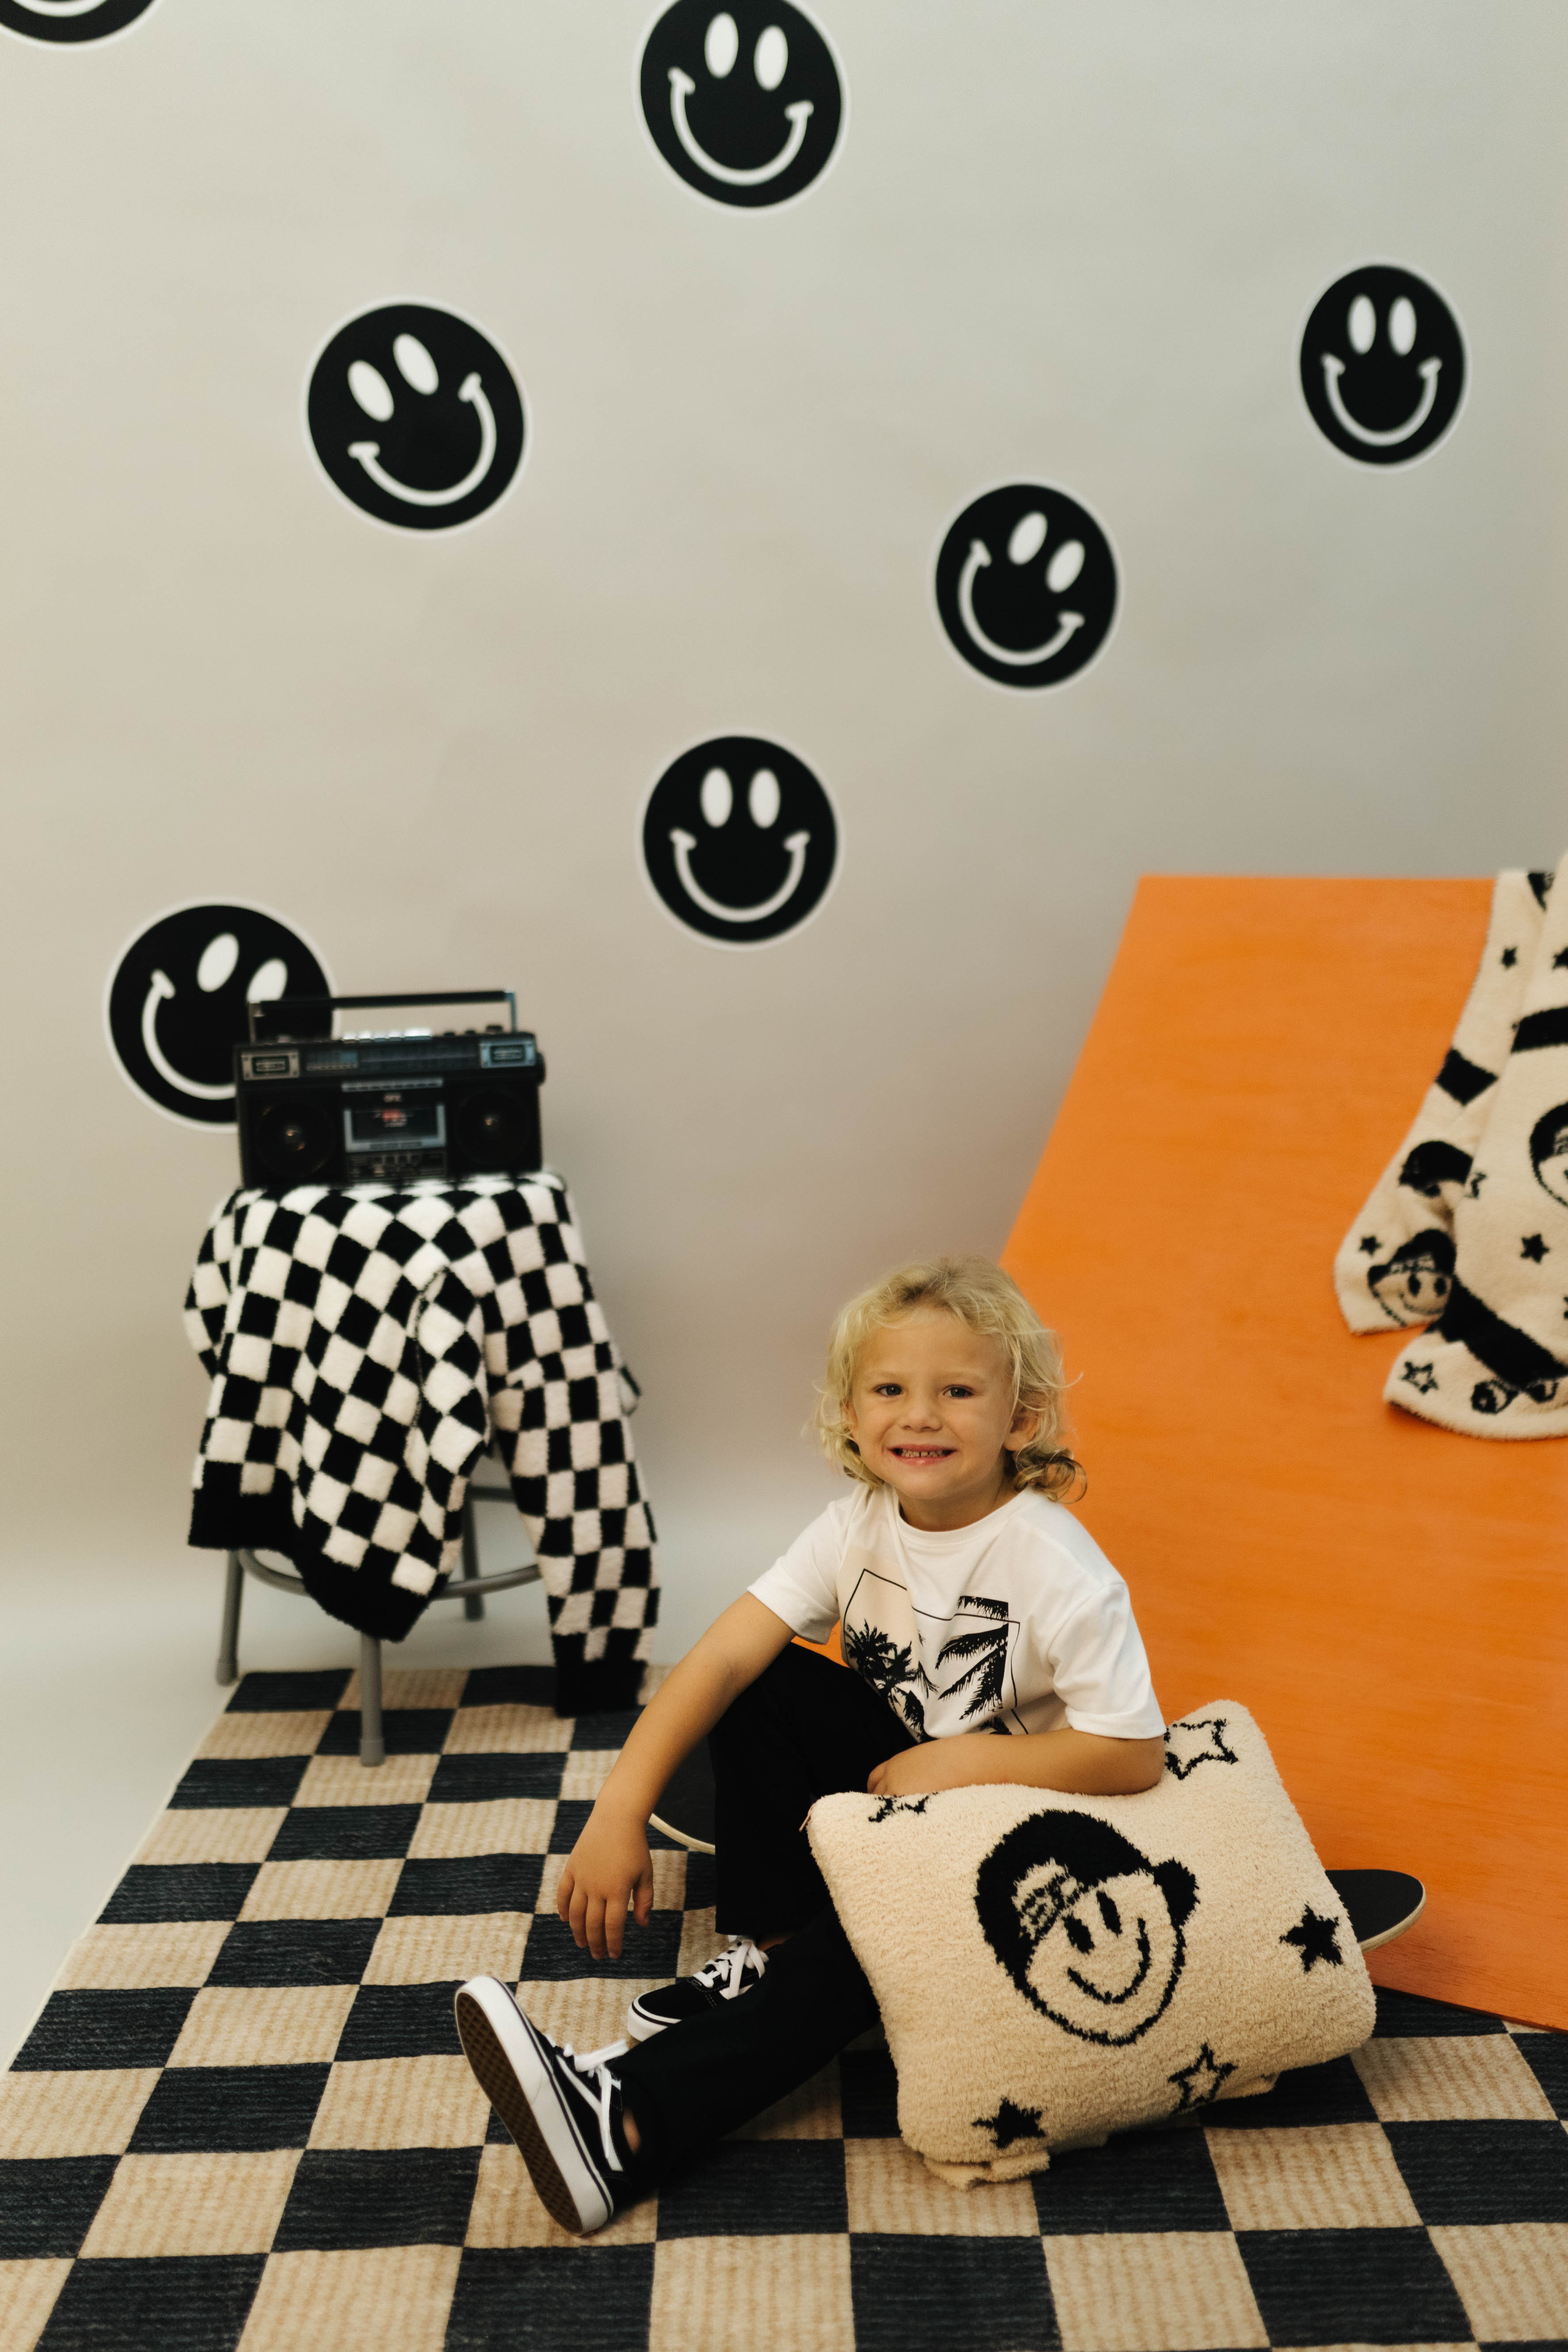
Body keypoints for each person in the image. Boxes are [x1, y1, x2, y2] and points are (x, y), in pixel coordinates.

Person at [453, 1255, 1168, 2235]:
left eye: (957, 1391)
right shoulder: (857, 1524)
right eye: (890, 1389)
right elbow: (712, 1664)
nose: (919, 1414)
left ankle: (628, 2118)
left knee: (882, 1943)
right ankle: (782, 1943)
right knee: (765, 1677)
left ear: (1021, 1419)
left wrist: (963, 1761)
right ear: (848, 1414)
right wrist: (615, 1811)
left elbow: (1131, 1754)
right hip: (907, 1786)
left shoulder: (1055, 1564)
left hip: (1019, 1822)